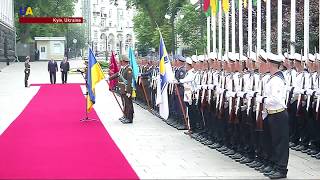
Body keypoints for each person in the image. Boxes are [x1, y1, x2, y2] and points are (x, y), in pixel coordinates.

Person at [256, 53, 288, 179]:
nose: (266, 65)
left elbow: (276, 99)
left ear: (271, 64)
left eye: (267, 63)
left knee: (280, 143)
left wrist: (262, 99)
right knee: (273, 142)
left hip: (279, 114)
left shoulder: (277, 80)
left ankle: (281, 169)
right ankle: (275, 165)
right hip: (271, 114)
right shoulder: (271, 78)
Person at [108, 55, 134, 124]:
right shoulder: (123, 68)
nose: (120, 62)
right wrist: (109, 78)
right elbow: (117, 74)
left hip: (126, 90)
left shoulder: (129, 69)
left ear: (124, 62)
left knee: (128, 104)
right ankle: (125, 116)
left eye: (121, 61)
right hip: (122, 89)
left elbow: (129, 81)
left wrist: (128, 92)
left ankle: (129, 118)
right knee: (124, 103)